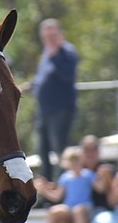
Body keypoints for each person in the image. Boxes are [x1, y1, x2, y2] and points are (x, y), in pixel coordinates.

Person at [26, 19, 79, 181]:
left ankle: (62, 186)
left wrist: (55, 54)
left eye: (52, 35)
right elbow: (43, 77)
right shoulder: (47, 52)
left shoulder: (66, 52)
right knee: (42, 150)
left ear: (60, 35)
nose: (49, 39)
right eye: (46, 36)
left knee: (60, 150)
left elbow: (67, 77)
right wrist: (29, 86)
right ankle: (48, 186)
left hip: (61, 108)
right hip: (44, 110)